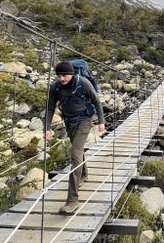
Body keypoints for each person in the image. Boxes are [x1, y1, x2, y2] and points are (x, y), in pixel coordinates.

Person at [45, 61, 104, 215]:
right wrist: (46, 128)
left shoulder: (83, 83)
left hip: (85, 120)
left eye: (64, 75)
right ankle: (84, 174)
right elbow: (50, 107)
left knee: (75, 153)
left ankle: (72, 200)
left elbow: (96, 100)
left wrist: (101, 122)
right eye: (59, 75)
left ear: (72, 74)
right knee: (77, 151)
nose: (62, 78)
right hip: (68, 120)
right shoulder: (55, 87)